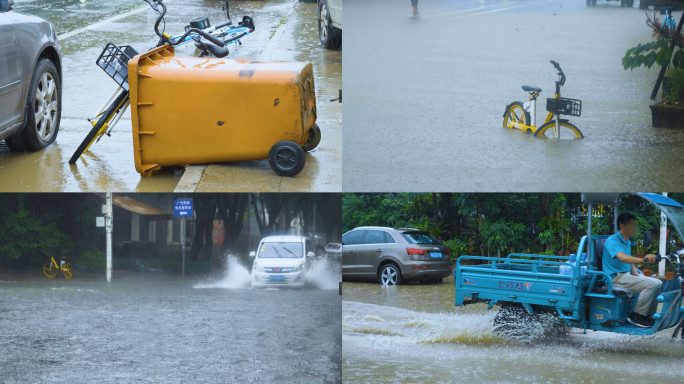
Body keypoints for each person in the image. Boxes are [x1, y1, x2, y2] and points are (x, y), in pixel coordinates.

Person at [602, 212, 662, 328]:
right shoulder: (612, 240)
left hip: (626, 276)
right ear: (622, 226)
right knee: (652, 284)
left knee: (658, 283)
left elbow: (630, 263)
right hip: (615, 278)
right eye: (631, 225)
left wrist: (638, 275)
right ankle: (636, 315)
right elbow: (623, 258)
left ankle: (647, 315)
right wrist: (644, 260)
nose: (634, 228)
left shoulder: (627, 241)